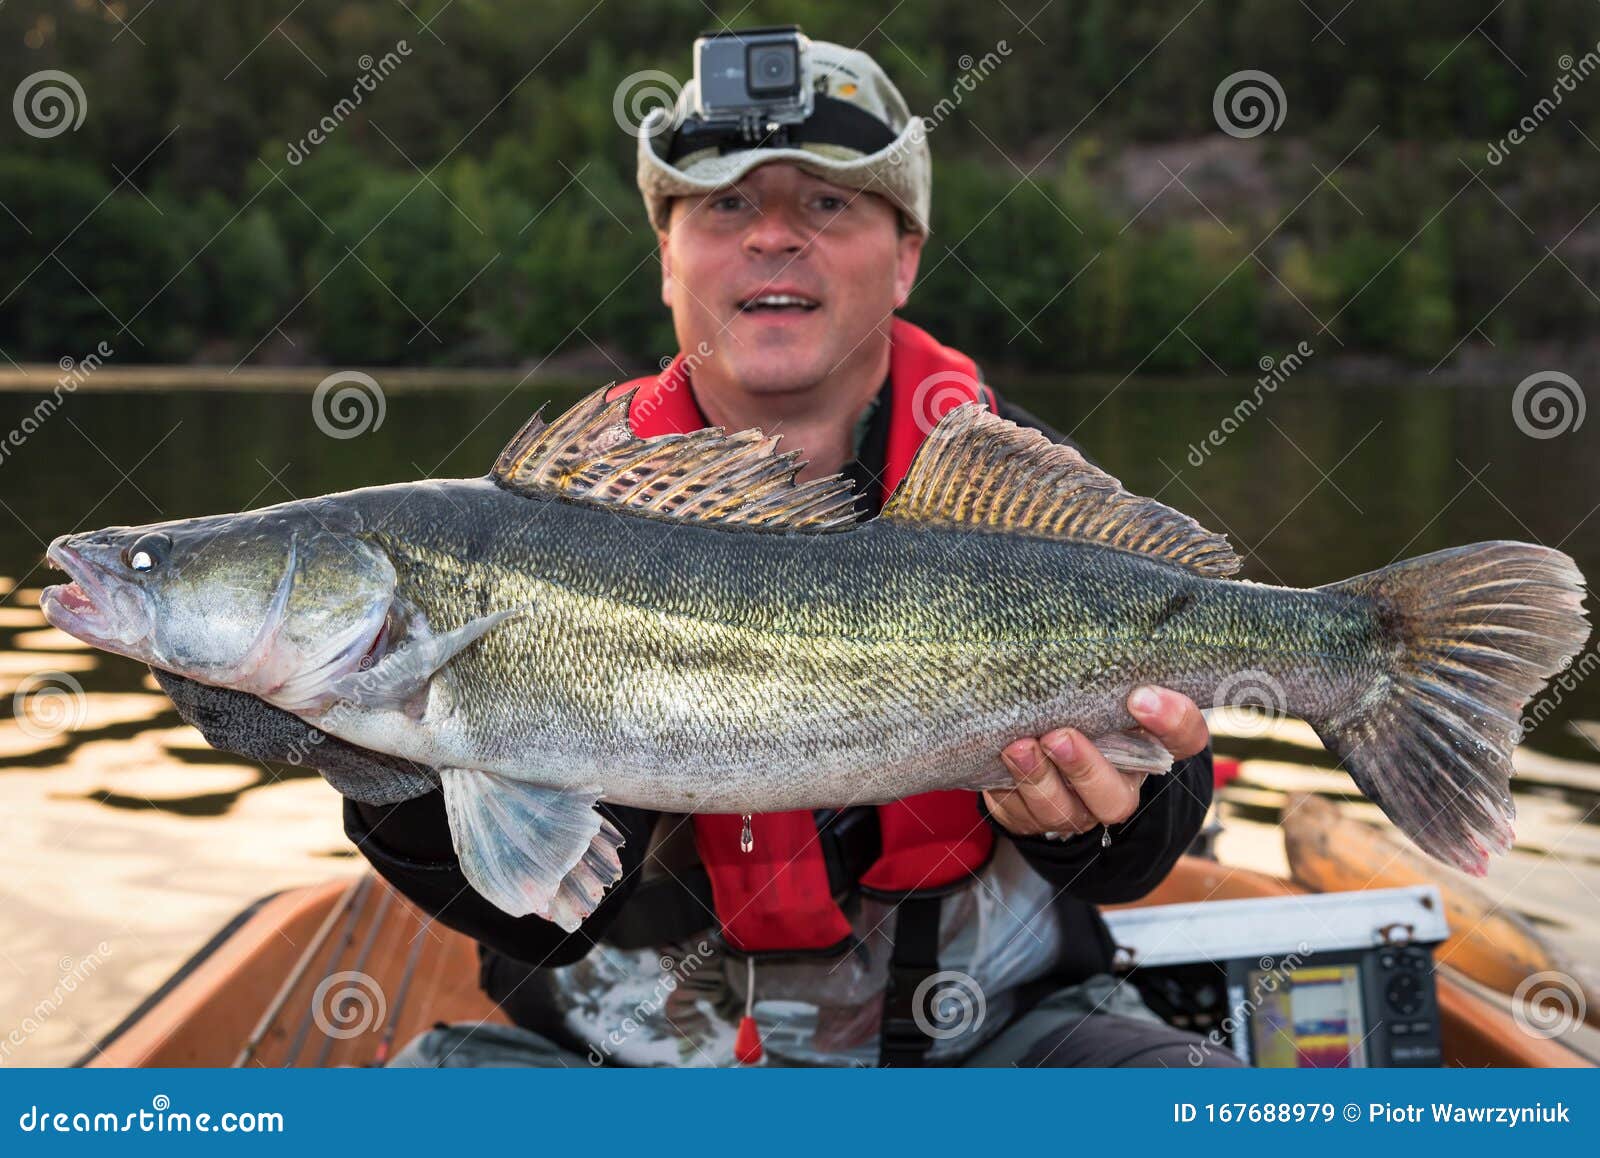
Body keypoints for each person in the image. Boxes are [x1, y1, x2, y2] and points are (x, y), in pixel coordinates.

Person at [158, 35, 1241, 1068]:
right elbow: (531, 924)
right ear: (665, 258)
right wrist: (387, 775)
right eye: (725, 206)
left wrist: (1113, 806)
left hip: (992, 1040)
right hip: (607, 1067)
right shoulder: (538, 528)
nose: (774, 235)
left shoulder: (1016, 505)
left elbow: (1134, 861)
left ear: (905, 257)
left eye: (827, 202)